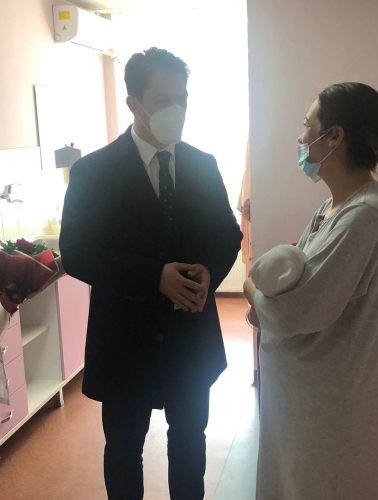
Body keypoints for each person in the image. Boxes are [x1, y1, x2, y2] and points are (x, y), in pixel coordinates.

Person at [59, 47, 242, 499]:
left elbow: (227, 234)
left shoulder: (202, 164)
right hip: (125, 339)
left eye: (182, 99)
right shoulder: (92, 172)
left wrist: (209, 271)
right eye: (162, 100)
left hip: (189, 337)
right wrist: (154, 276)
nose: (175, 110)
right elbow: (77, 253)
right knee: (124, 450)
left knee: (190, 444)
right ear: (133, 104)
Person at [244, 82, 378, 499]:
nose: (301, 138)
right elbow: (303, 284)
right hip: (315, 397)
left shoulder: (366, 216)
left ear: (334, 137)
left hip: (336, 402)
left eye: (307, 126)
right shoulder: (334, 206)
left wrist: (251, 288)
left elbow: (295, 311)